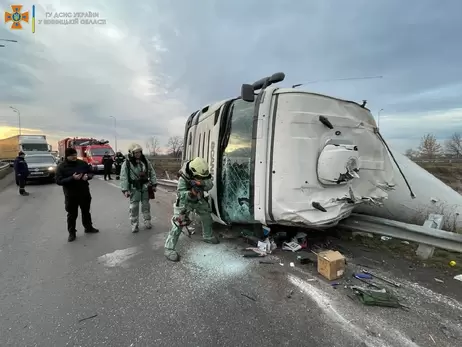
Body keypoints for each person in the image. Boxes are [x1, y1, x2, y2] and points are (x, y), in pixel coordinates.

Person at [164, 157, 219, 262]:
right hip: (185, 202)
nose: (201, 178)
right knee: (178, 223)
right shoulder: (183, 178)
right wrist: (190, 193)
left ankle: (207, 236)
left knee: (206, 214)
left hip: (198, 199)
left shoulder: (202, 172)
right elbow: (181, 194)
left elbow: (209, 184)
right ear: (193, 172)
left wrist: (201, 184)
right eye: (198, 177)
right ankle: (169, 248)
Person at [56, 147, 99, 242]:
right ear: (67, 156)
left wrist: (88, 177)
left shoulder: (82, 163)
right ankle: (72, 232)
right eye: (72, 156)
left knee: (86, 211)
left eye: (75, 155)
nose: (74, 157)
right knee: (72, 214)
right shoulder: (61, 166)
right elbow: (58, 181)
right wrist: (72, 178)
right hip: (71, 194)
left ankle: (88, 227)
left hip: (84, 192)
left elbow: (91, 172)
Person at [120, 143, 157, 233]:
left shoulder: (145, 161)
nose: (138, 154)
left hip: (145, 186)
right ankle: (134, 224)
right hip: (134, 187)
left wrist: (154, 184)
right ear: (131, 153)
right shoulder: (127, 163)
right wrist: (125, 189)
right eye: (135, 152)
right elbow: (124, 177)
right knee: (134, 207)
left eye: (139, 152)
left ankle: (147, 221)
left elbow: (151, 172)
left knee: (146, 205)